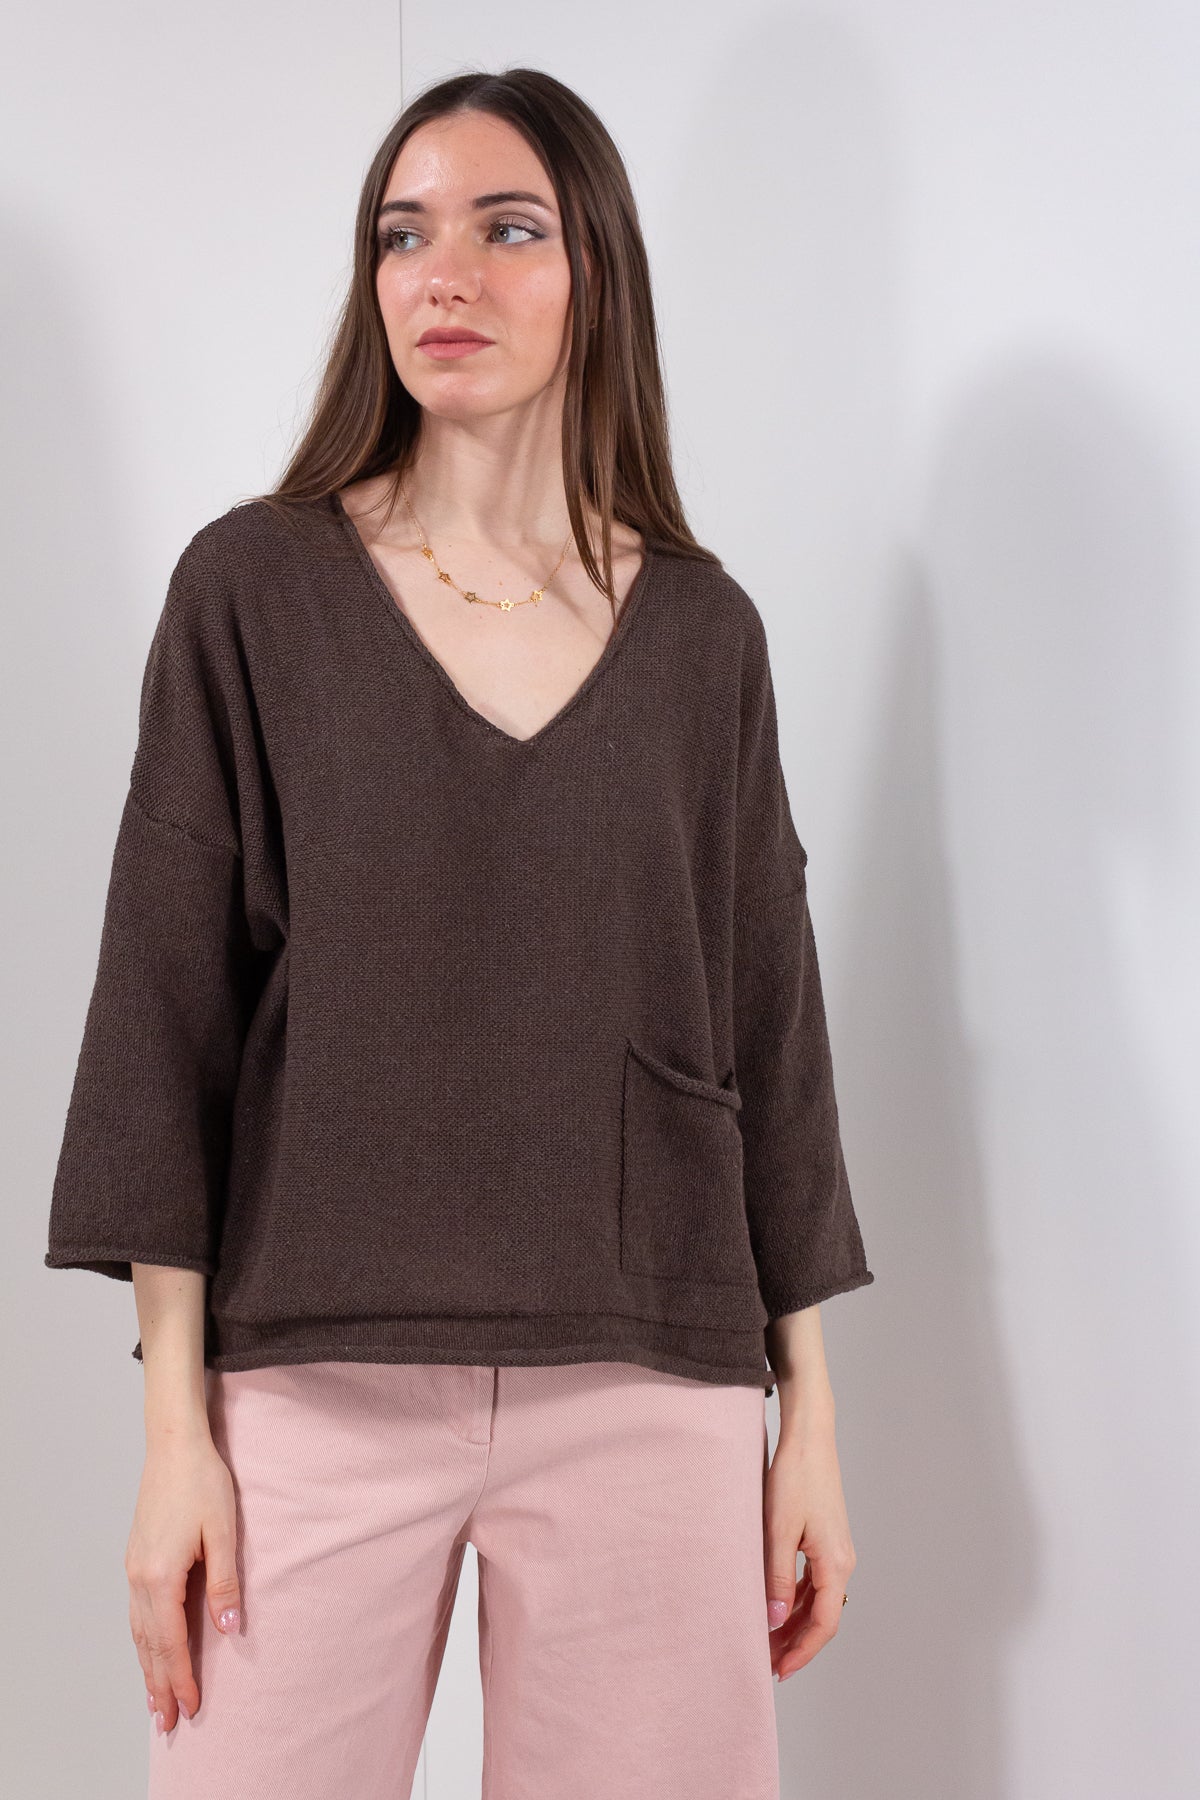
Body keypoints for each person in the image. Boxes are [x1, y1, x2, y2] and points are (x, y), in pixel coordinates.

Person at [44, 66, 875, 1799]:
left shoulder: (704, 634)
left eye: (508, 230)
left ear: (596, 274)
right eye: (402, 235)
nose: (445, 277)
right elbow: (161, 1018)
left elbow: (768, 1026)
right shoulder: (250, 592)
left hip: (651, 1377)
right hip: (312, 1382)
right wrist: (173, 1437)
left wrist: (809, 1415)